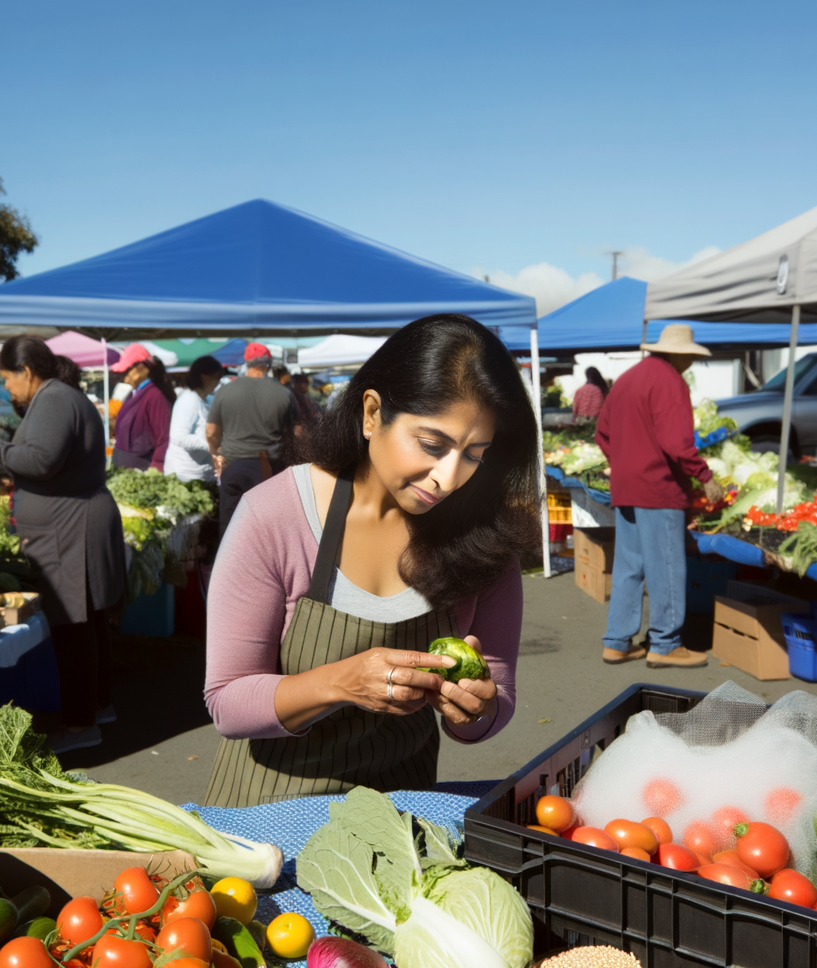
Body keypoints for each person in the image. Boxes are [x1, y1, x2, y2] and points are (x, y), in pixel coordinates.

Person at [203, 314, 539, 807]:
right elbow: (229, 702)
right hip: (266, 816)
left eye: (474, 454)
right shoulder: (274, 516)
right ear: (371, 413)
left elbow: (496, 698)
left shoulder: (487, 540)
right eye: (432, 444)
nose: (447, 477)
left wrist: (477, 710)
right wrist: (341, 682)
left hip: (402, 815)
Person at [0, 336, 126, 754]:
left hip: (70, 528)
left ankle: (79, 725)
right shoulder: (60, 398)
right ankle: (97, 706)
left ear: (27, 372)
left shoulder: (53, 399)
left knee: (74, 626)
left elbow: (40, 462)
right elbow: (44, 451)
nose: (8, 390)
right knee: (88, 623)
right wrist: (9, 438)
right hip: (73, 522)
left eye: (7, 381)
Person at [595, 324, 724, 669]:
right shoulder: (669, 381)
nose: (691, 364)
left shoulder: (627, 378)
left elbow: (602, 433)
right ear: (678, 353)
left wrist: (623, 462)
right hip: (659, 486)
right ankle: (665, 644)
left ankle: (617, 642)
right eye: (691, 357)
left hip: (626, 485)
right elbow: (676, 442)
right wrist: (704, 475)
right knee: (666, 566)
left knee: (629, 566)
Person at [207, 342, 295, 537]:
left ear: (246, 363)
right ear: (269, 364)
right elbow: (297, 434)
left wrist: (216, 456)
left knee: (232, 533)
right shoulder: (284, 393)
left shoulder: (225, 391)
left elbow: (211, 433)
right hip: (270, 470)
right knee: (268, 533)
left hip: (234, 468)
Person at [111, 343, 175, 470]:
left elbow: (163, 436)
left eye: (128, 370)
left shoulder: (155, 395)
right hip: (126, 464)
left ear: (141, 367)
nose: (124, 375)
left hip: (141, 466)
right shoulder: (135, 392)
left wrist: (157, 468)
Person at [164, 355, 225, 482]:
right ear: (205, 378)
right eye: (217, 377)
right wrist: (210, 445)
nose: (218, 382)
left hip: (200, 474)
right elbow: (178, 437)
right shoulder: (189, 400)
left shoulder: (203, 401)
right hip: (184, 476)